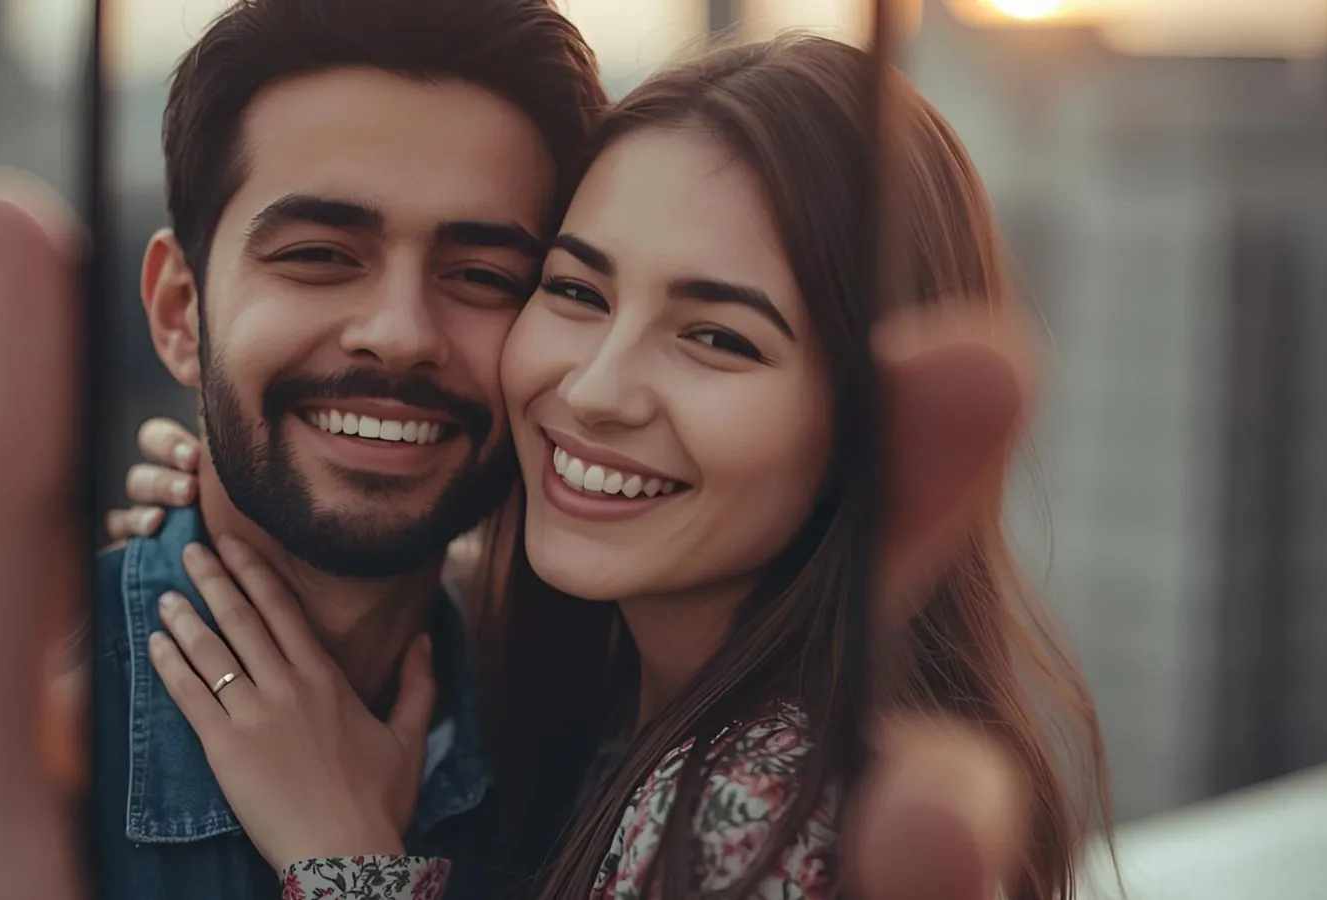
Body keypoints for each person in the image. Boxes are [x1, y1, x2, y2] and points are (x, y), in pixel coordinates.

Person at [112, 33, 1108, 900]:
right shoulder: (583, 690)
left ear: (867, 419)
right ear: (178, 310)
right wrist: (250, 480)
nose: (593, 390)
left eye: (717, 338)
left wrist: (346, 861)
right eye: (576, 291)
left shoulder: (768, 819)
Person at [83, 1, 605, 899]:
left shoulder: (600, 765)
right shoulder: (21, 741)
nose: (400, 335)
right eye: (320, 255)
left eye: (482, 277)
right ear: (180, 311)